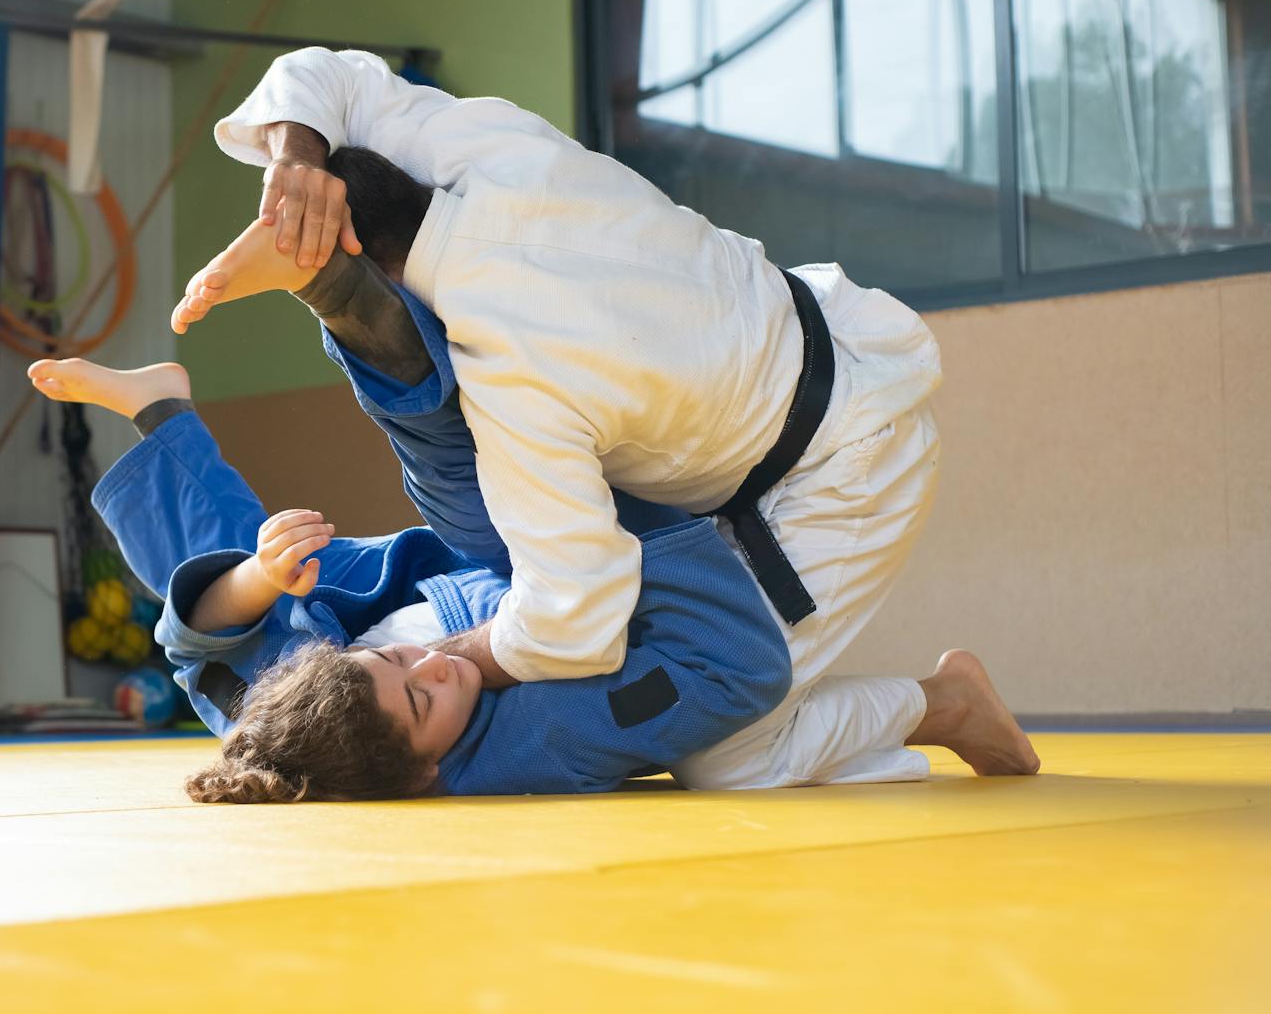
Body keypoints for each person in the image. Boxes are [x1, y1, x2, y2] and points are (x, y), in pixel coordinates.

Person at [174, 46, 1040, 786]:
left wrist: (457, 658)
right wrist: (295, 160)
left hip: (846, 464)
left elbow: (575, 620)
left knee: (730, 757)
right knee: (514, 515)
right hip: (814, 331)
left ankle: (943, 700)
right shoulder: (490, 149)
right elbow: (320, 76)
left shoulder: (515, 379)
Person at [26, 350, 1038, 802]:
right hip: (569, 568)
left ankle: (168, 408)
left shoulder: (308, 714)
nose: (431, 669)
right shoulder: (521, 747)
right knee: (730, 756)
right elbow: (729, 673)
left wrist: (252, 575)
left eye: (403, 667)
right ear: (426, 770)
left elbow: (194, 644)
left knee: (239, 621)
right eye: (425, 700)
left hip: (389, 586)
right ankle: (941, 704)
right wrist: (620, 524)